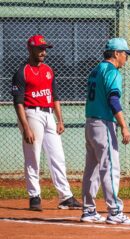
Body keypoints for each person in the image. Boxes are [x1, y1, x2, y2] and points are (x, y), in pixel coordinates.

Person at [11, 34, 82, 211]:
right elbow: (18, 102)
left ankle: (65, 197)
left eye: (45, 49)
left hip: (49, 114)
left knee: (57, 156)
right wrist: (25, 127)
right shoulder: (22, 72)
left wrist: (60, 119)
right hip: (31, 114)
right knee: (33, 156)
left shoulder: (48, 70)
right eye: (39, 48)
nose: (43, 52)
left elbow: (55, 97)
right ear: (30, 49)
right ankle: (34, 196)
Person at [80, 37, 130, 225]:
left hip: (90, 123)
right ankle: (115, 211)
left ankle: (88, 210)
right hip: (104, 123)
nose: (126, 58)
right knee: (110, 167)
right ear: (116, 54)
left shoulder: (95, 69)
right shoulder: (112, 72)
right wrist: (124, 126)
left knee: (92, 169)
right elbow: (114, 100)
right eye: (125, 54)